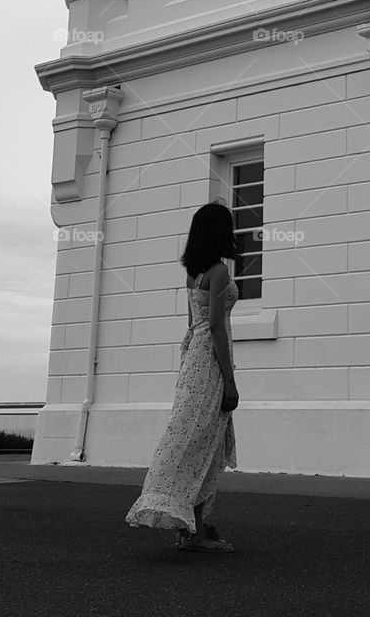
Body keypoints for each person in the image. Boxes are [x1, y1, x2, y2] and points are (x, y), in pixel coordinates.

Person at [125, 200, 240, 553]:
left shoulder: (193, 273)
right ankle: (193, 530)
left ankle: (193, 527)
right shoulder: (219, 272)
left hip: (194, 358)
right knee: (202, 441)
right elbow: (216, 328)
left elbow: (194, 324)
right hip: (209, 361)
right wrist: (230, 381)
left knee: (194, 439)